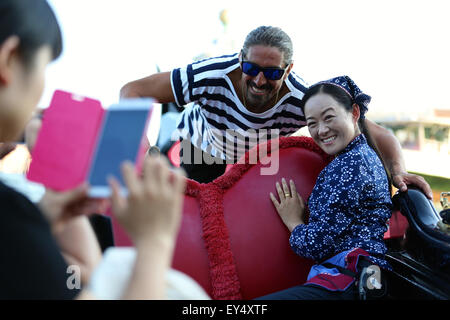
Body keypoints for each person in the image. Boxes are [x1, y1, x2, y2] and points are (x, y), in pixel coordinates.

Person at [0, 0, 186, 300]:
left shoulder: (15, 215)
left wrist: (46, 215)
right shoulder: (9, 211)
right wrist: (155, 242)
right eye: (45, 66)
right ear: (9, 58)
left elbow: (82, 275)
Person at [120, 26, 432, 199]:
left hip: (255, 159)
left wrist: (397, 171)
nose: (258, 80)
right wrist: (141, 152)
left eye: (271, 73)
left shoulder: (302, 97)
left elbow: (377, 133)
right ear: (240, 58)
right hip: (202, 147)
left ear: (288, 70)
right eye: (251, 68)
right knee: (185, 206)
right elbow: (131, 91)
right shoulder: (210, 75)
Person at [256, 75, 392, 300]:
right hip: (360, 277)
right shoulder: (358, 157)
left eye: (329, 117)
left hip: (350, 278)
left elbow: (316, 245)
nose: (321, 130)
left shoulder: (351, 164)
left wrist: (293, 221)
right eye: (312, 123)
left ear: (354, 112)